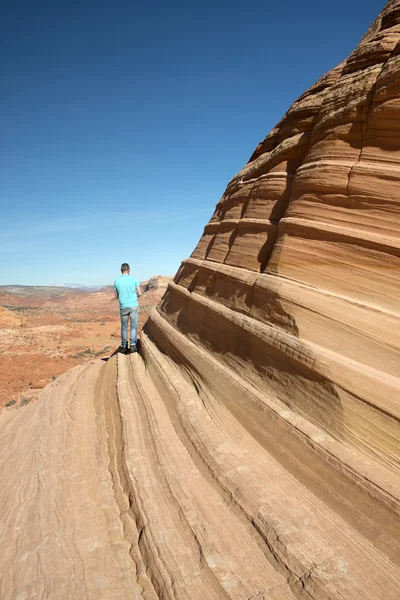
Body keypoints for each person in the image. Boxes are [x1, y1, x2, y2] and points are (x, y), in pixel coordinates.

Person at [113, 263, 142, 354]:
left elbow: (116, 295)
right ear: (129, 270)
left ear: (121, 270)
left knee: (124, 327)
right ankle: (133, 346)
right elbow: (140, 293)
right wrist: (133, 296)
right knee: (133, 326)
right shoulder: (134, 279)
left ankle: (124, 346)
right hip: (133, 305)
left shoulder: (117, 281)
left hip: (123, 306)